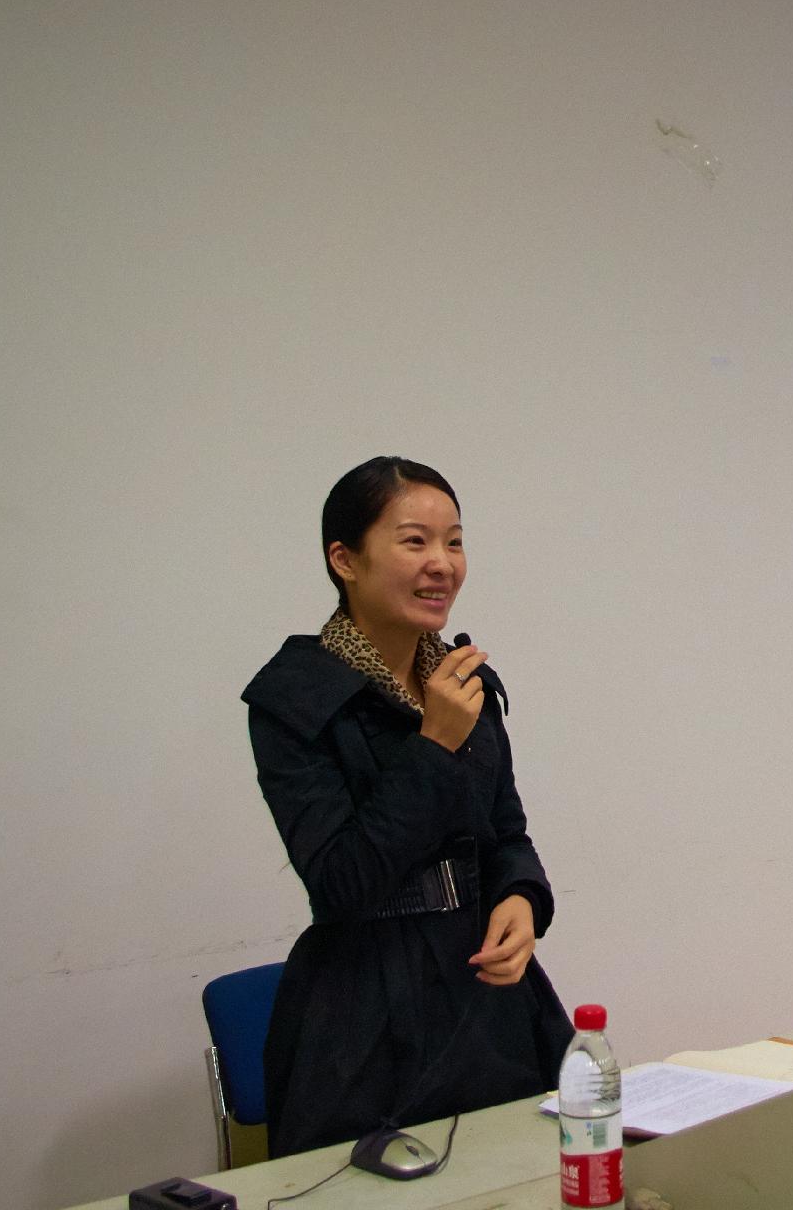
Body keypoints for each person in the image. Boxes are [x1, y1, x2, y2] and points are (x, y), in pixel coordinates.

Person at [241, 456, 572, 1156]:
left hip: (488, 1000)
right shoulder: (293, 700)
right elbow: (340, 883)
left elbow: (505, 832)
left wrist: (522, 896)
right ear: (345, 560)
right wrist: (433, 744)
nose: (442, 564)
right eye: (414, 541)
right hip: (364, 1017)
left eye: (454, 542)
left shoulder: (463, 679)